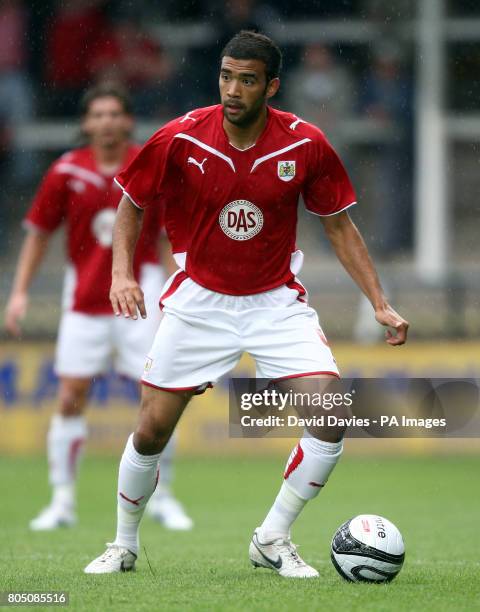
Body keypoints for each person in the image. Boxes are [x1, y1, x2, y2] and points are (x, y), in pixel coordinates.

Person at [84, 31, 408, 577]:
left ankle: (272, 537)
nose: (233, 89)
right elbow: (132, 203)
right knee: (151, 431)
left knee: (330, 413)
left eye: (248, 79)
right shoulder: (181, 136)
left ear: (271, 86)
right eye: (226, 76)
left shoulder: (305, 144)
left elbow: (339, 226)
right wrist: (121, 274)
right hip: (199, 303)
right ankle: (123, 544)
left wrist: (379, 302)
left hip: (273, 304)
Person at [4, 83, 192, 532]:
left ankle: (163, 498)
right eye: (98, 114)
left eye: (115, 113)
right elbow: (38, 233)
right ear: (86, 123)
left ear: (128, 120)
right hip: (84, 299)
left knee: (156, 402)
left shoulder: (146, 165)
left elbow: (170, 235)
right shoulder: (66, 170)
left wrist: (175, 293)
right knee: (70, 396)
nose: (107, 121)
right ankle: (62, 502)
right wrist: (19, 292)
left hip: (140, 297)